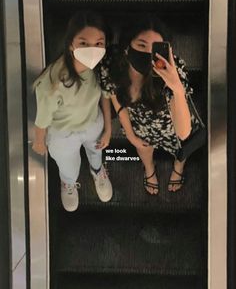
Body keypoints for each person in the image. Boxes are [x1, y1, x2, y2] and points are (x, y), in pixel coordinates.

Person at [100, 15, 196, 195]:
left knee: (182, 148)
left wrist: (176, 87)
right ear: (128, 46)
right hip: (139, 123)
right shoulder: (114, 63)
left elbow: (183, 132)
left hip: (171, 122)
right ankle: (149, 169)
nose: (147, 54)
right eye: (141, 45)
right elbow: (114, 96)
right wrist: (129, 134)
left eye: (154, 48)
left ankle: (178, 166)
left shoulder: (172, 71)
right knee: (142, 147)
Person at [32, 12, 113, 211]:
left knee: (96, 152)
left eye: (99, 43)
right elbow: (42, 119)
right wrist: (40, 141)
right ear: (71, 44)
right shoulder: (53, 82)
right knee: (68, 166)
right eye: (84, 43)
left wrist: (109, 129)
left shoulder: (100, 67)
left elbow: (105, 94)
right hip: (63, 134)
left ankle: (97, 171)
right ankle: (68, 183)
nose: (93, 50)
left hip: (93, 123)